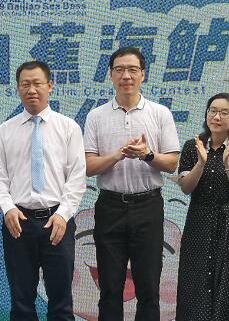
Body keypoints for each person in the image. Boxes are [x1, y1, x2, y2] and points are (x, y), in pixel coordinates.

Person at [83, 47, 180, 321]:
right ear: (111, 75)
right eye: (119, 70)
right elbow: (88, 167)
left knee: (148, 287)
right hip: (110, 206)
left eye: (132, 70)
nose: (126, 76)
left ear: (143, 74)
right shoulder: (96, 116)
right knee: (109, 287)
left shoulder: (160, 113)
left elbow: (172, 163)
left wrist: (147, 155)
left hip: (148, 206)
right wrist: (117, 155)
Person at [0, 60, 86, 320]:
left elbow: (76, 178)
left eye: (37, 83)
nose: (31, 90)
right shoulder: (5, 131)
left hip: (57, 221)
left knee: (61, 300)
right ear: (18, 89)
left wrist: (63, 214)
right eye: (25, 84)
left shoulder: (68, 128)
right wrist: (7, 208)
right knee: (21, 300)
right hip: (18, 222)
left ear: (50, 86)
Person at [175, 93, 229, 321]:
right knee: (194, 283)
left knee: (226, 284)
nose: (217, 117)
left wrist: (228, 163)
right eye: (213, 111)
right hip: (198, 223)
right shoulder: (193, 146)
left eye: (224, 113)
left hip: (228, 223)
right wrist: (201, 163)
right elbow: (186, 188)